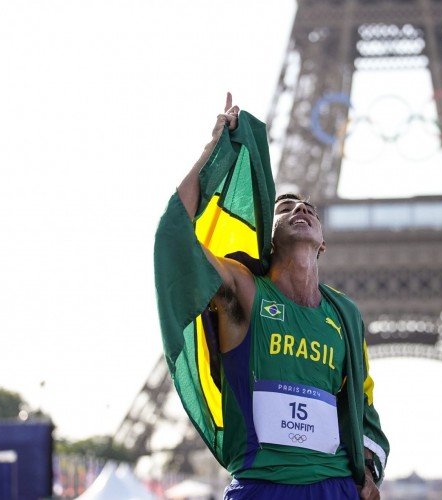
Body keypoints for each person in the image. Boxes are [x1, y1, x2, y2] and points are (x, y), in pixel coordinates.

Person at [156, 94, 389, 499]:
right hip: (264, 487)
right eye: (285, 208)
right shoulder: (244, 291)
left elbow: (362, 400)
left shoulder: (345, 314)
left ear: (322, 244)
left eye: (309, 208)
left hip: (334, 486)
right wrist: (213, 154)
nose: (300, 207)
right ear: (268, 236)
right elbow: (178, 237)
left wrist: (368, 472)